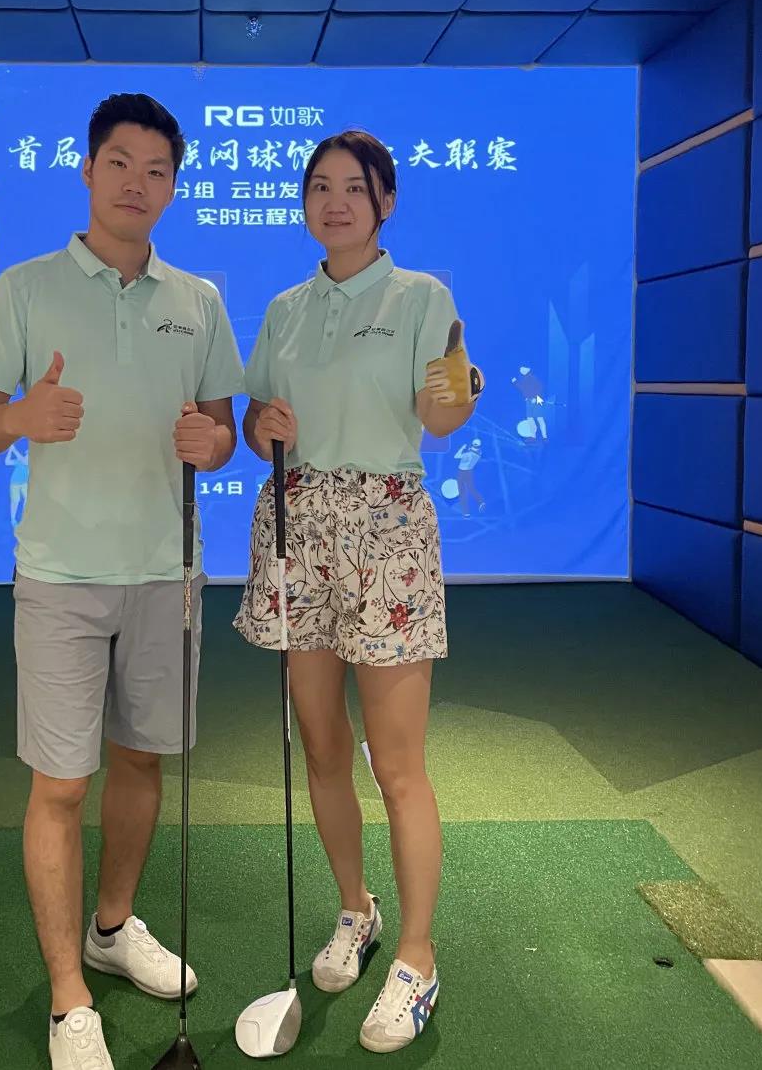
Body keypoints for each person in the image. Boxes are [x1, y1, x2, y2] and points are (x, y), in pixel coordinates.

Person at [0, 92, 245, 1070]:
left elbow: (220, 428)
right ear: (87, 170)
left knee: (142, 763)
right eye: (119, 163)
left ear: (173, 186)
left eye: (157, 170)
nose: (136, 184)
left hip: (166, 573)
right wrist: (18, 419)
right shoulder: (25, 288)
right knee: (61, 784)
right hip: (60, 576)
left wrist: (214, 444)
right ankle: (67, 999)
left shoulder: (197, 300)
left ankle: (112, 929)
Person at [233, 130, 484, 1054]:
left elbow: (442, 412)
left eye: (354, 187)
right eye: (319, 187)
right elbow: (258, 424)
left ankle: (417, 956)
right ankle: (356, 909)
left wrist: (458, 390)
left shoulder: (421, 298)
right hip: (299, 526)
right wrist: (262, 426)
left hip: (386, 532)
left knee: (397, 761)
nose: (334, 202)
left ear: (385, 202)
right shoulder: (285, 309)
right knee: (321, 742)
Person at [453, 438, 485, 517]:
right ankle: (480, 501)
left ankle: (466, 512)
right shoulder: (479, 454)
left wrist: (462, 448)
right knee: (471, 488)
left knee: (462, 492)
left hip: (462, 472)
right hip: (469, 472)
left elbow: (456, 456)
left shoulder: (468, 455)